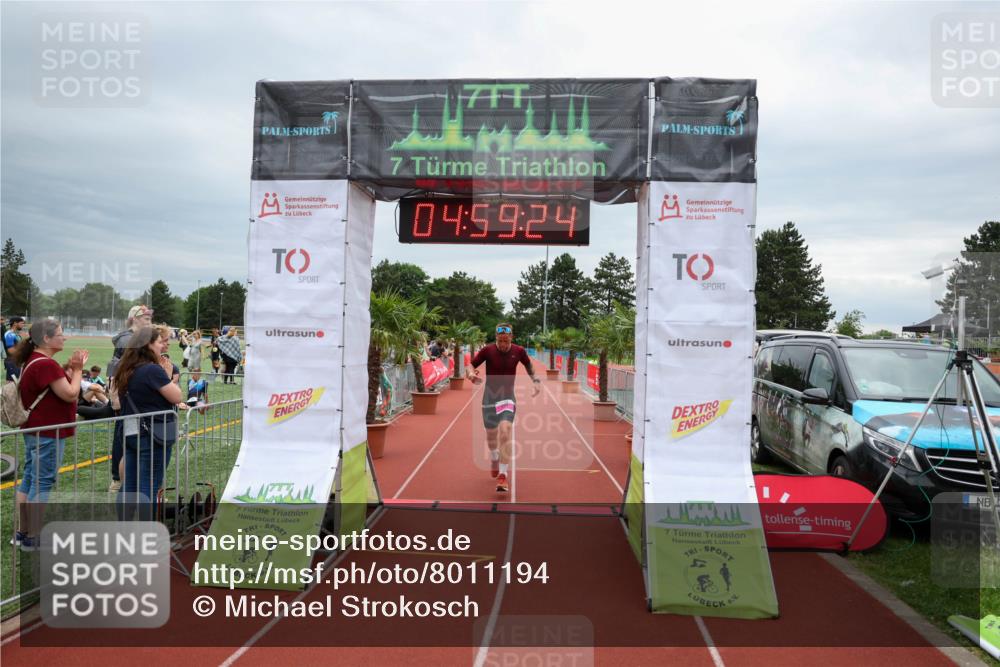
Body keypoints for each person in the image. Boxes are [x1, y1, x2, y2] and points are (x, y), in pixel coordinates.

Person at [12, 319, 88, 551]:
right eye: (61, 334)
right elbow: (71, 393)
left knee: (30, 479)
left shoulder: (33, 361)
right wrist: (77, 370)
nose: (64, 338)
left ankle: (22, 533)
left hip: (35, 430)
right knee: (42, 482)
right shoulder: (45, 364)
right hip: (47, 432)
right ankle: (34, 537)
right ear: (46, 338)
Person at [115, 325, 182, 520]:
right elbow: (176, 396)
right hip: (152, 433)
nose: (163, 346)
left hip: (130, 431)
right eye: (160, 342)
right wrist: (169, 377)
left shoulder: (125, 368)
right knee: (148, 486)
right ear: (148, 345)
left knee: (129, 485)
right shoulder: (152, 370)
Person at [466, 323, 540, 493]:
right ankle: (494, 456)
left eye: (506, 341)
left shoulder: (519, 351)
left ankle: (503, 476)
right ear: (496, 338)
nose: (503, 345)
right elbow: (471, 365)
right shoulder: (488, 350)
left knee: (505, 431)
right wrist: (470, 374)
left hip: (507, 398)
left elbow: (528, 365)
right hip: (489, 398)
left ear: (511, 338)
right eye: (500, 341)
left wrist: (536, 380)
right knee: (491, 436)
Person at [107, 305, 153, 493]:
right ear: (134, 318)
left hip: (133, 393)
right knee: (124, 437)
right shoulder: (128, 339)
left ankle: (125, 480)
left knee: (130, 436)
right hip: (127, 395)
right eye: (145, 317)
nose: (149, 320)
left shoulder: (138, 338)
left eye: (150, 317)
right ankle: (118, 480)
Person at [4, 316, 25, 380]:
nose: (23, 325)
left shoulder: (15, 334)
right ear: (15, 323)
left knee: (17, 383)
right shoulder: (9, 334)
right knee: (12, 384)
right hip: (12, 362)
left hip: (16, 361)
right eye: (22, 323)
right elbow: (11, 351)